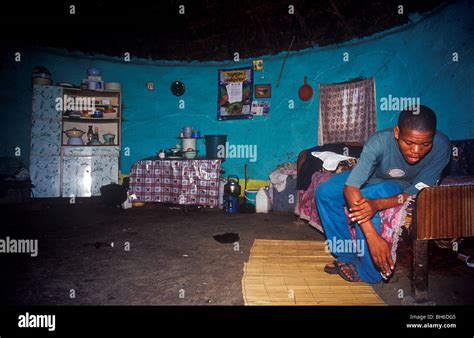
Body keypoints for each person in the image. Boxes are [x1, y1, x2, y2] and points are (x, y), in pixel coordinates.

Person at [315, 105, 451, 283]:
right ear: (397, 132)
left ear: (433, 137)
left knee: (367, 199)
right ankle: (346, 256)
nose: (416, 151)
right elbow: (351, 186)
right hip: (373, 175)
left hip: (403, 185)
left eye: (425, 144)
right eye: (409, 143)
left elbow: (418, 191)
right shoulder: (378, 142)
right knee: (325, 192)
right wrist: (373, 237)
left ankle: (369, 273)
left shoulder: (442, 146)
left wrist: (377, 204)